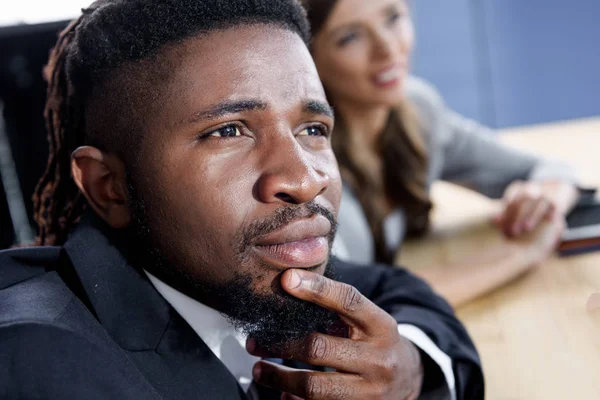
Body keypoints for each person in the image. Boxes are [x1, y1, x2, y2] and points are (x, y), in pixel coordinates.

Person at [0, 0, 483, 399]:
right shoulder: (39, 367)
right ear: (110, 186)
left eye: (312, 129)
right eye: (228, 131)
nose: (304, 178)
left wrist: (411, 366)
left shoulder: (226, 266)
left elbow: (391, 286)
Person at [301, 0, 580, 307]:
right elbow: (351, 302)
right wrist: (520, 252)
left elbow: (550, 169)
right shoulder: (308, 168)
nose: (387, 48)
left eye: (392, 17)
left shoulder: (418, 110)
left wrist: (542, 204)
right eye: (350, 37)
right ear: (307, 59)